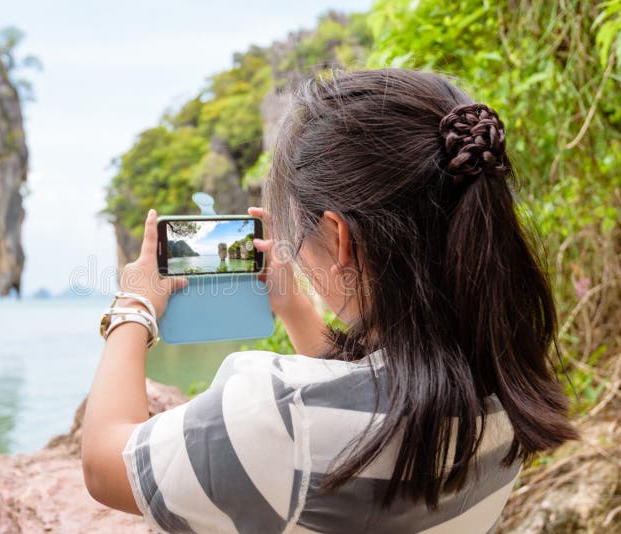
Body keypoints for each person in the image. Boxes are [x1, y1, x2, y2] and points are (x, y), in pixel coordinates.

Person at [80, 68, 578, 533]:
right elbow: (367, 392)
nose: (295, 252)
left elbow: (105, 466)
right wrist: (295, 308)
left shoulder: (276, 412)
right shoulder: (508, 384)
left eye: (298, 233)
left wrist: (134, 305)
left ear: (339, 238)